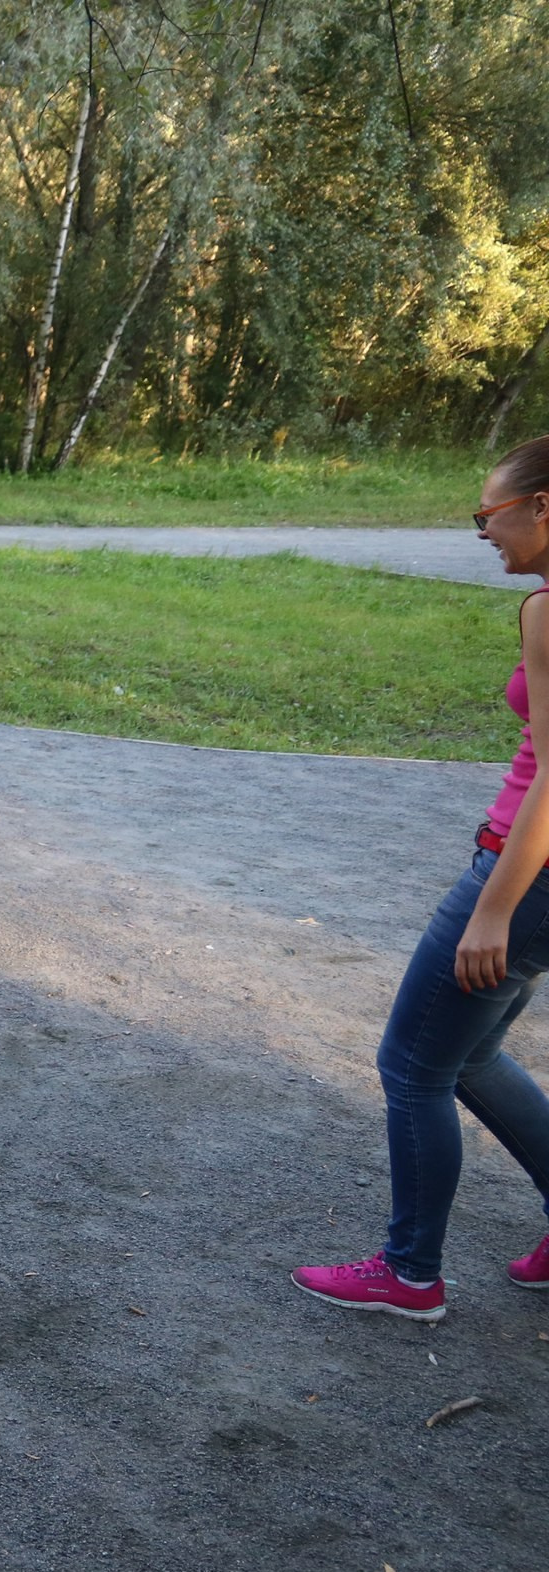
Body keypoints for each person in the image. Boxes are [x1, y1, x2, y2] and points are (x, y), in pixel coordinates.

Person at [292, 437, 549, 1321]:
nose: (482, 532)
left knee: (412, 1064)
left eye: (488, 514)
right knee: (470, 1054)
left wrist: (495, 908)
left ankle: (409, 1273)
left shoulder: (546, 610)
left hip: (524, 872)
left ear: (542, 506)